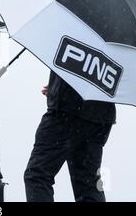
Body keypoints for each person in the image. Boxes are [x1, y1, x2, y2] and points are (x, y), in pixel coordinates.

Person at [24, 71, 115, 202]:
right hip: (101, 114)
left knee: (37, 175)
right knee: (88, 185)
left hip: (67, 110)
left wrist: (62, 88)